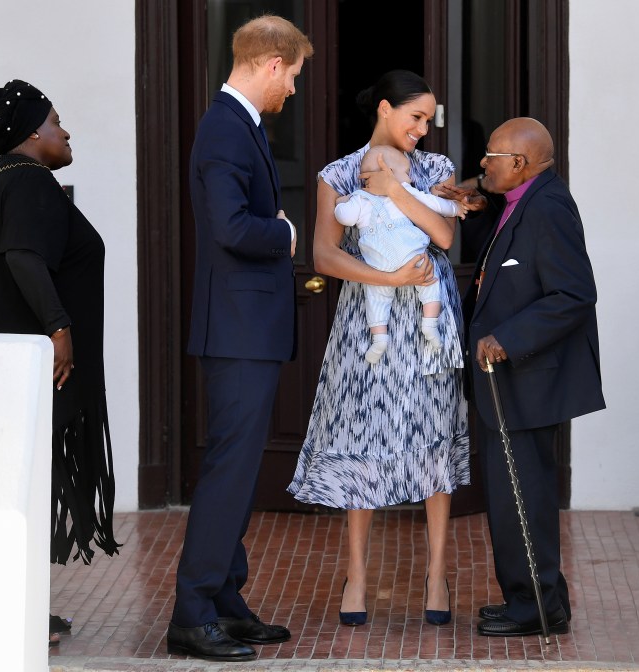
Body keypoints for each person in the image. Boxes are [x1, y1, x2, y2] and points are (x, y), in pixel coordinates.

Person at [287, 70, 470, 627]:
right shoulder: (338, 174)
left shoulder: (437, 169)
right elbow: (322, 254)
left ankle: (437, 574)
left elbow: (443, 238)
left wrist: (394, 193)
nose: (422, 128)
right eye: (415, 117)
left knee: (433, 433)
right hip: (367, 322)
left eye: (428, 120)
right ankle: (357, 575)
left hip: (429, 324)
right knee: (362, 432)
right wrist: (388, 281)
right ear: (386, 108)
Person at [0, 79, 121, 646]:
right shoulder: (28, 181)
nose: (65, 131)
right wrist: (59, 329)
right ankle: (5, 614)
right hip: (23, 367)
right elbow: (23, 256)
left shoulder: (6, 181)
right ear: (31, 133)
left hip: (3, 367)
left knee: (14, 486)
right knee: (16, 487)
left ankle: (10, 606)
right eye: (56, 121)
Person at [167, 15, 313, 663]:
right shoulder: (225, 126)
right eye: (295, 77)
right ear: (273, 63)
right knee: (229, 472)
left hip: (245, 330)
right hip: (237, 331)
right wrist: (284, 235)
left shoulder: (241, 126)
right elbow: (229, 227)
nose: (293, 92)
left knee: (239, 469)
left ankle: (224, 600)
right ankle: (192, 613)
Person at [461, 117, 605, 637]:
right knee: (511, 492)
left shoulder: (547, 208)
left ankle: (538, 608)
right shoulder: (519, 200)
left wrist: (510, 337)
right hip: (510, 382)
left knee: (523, 494)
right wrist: (476, 200)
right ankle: (532, 599)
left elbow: (574, 294)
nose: (483, 163)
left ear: (518, 164)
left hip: (527, 376)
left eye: (490, 156)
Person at [333, 144, 468, 363]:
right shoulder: (407, 192)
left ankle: (379, 340)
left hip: (378, 264)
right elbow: (435, 204)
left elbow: (345, 218)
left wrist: (341, 203)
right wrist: (456, 209)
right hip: (411, 255)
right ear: (389, 172)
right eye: (407, 173)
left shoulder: (359, 199)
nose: (411, 179)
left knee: (375, 300)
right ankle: (430, 324)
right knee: (429, 282)